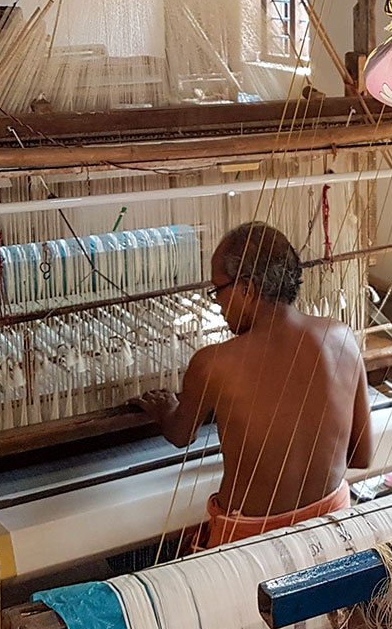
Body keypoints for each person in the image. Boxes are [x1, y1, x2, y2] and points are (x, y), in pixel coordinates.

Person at [135, 222, 372, 548]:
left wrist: (166, 409)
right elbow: (361, 457)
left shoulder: (212, 364)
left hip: (250, 543)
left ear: (246, 288)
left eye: (218, 290)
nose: (217, 304)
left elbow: (180, 434)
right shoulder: (343, 337)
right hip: (332, 531)